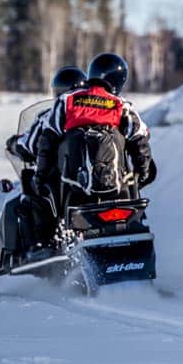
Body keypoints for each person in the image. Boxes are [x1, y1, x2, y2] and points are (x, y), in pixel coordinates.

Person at [33, 53, 155, 242]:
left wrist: (40, 177)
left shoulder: (67, 101)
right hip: (115, 188)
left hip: (75, 189)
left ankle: (52, 242)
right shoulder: (121, 106)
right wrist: (143, 171)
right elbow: (140, 139)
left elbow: (47, 140)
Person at [1, 66, 88, 258]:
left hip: (61, 186)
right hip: (94, 185)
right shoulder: (98, 116)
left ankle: (43, 243)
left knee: (30, 179)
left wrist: (14, 144)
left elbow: (29, 145)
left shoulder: (51, 115)